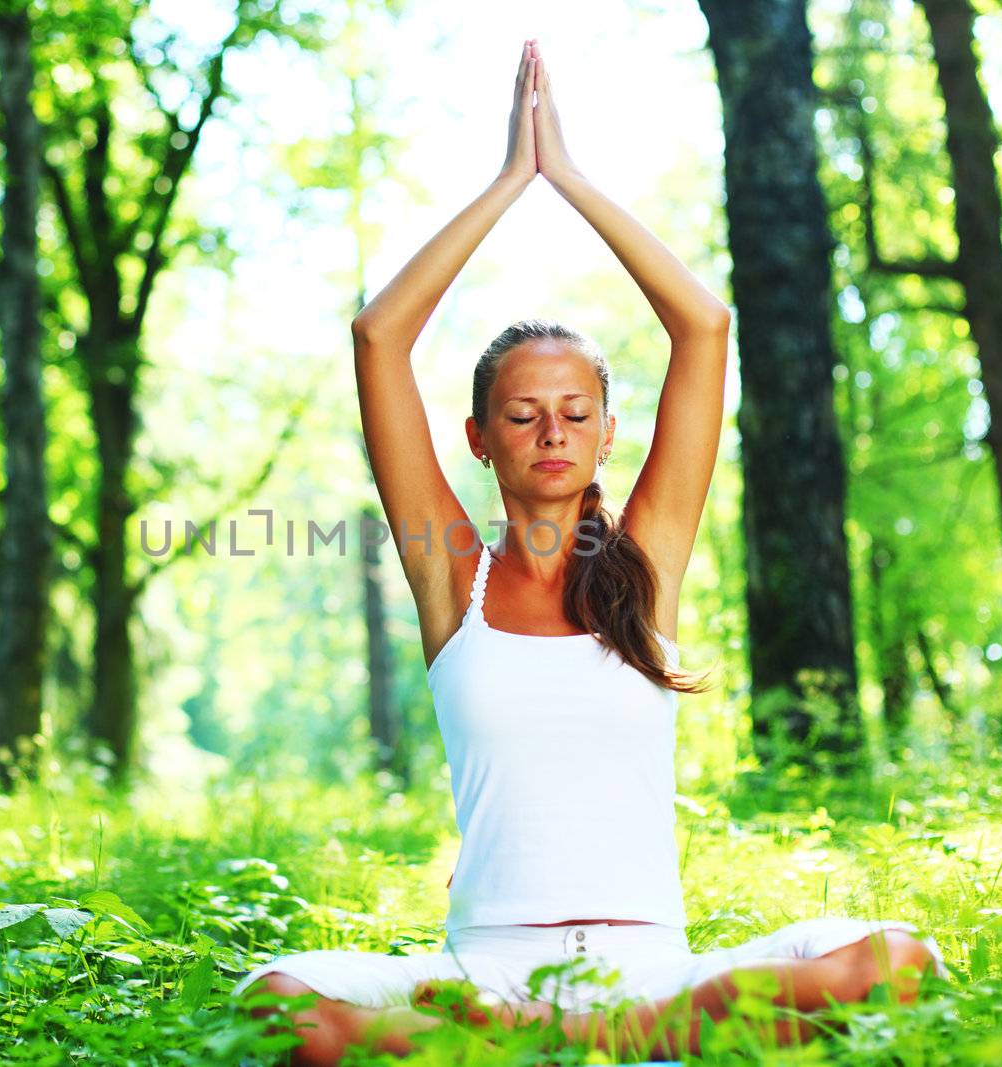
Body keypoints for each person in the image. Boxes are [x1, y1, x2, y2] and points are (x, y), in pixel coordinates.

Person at [231, 37, 947, 1065]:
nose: (552, 431)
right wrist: (503, 183)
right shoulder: (452, 574)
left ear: (608, 432)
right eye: (522, 413)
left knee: (899, 960)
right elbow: (378, 336)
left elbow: (703, 325)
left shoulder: (644, 564)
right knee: (274, 999)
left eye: (575, 412)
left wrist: (567, 178)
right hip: (487, 975)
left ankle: (590, 1035)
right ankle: (567, 1037)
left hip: (658, 969)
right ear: (479, 438)